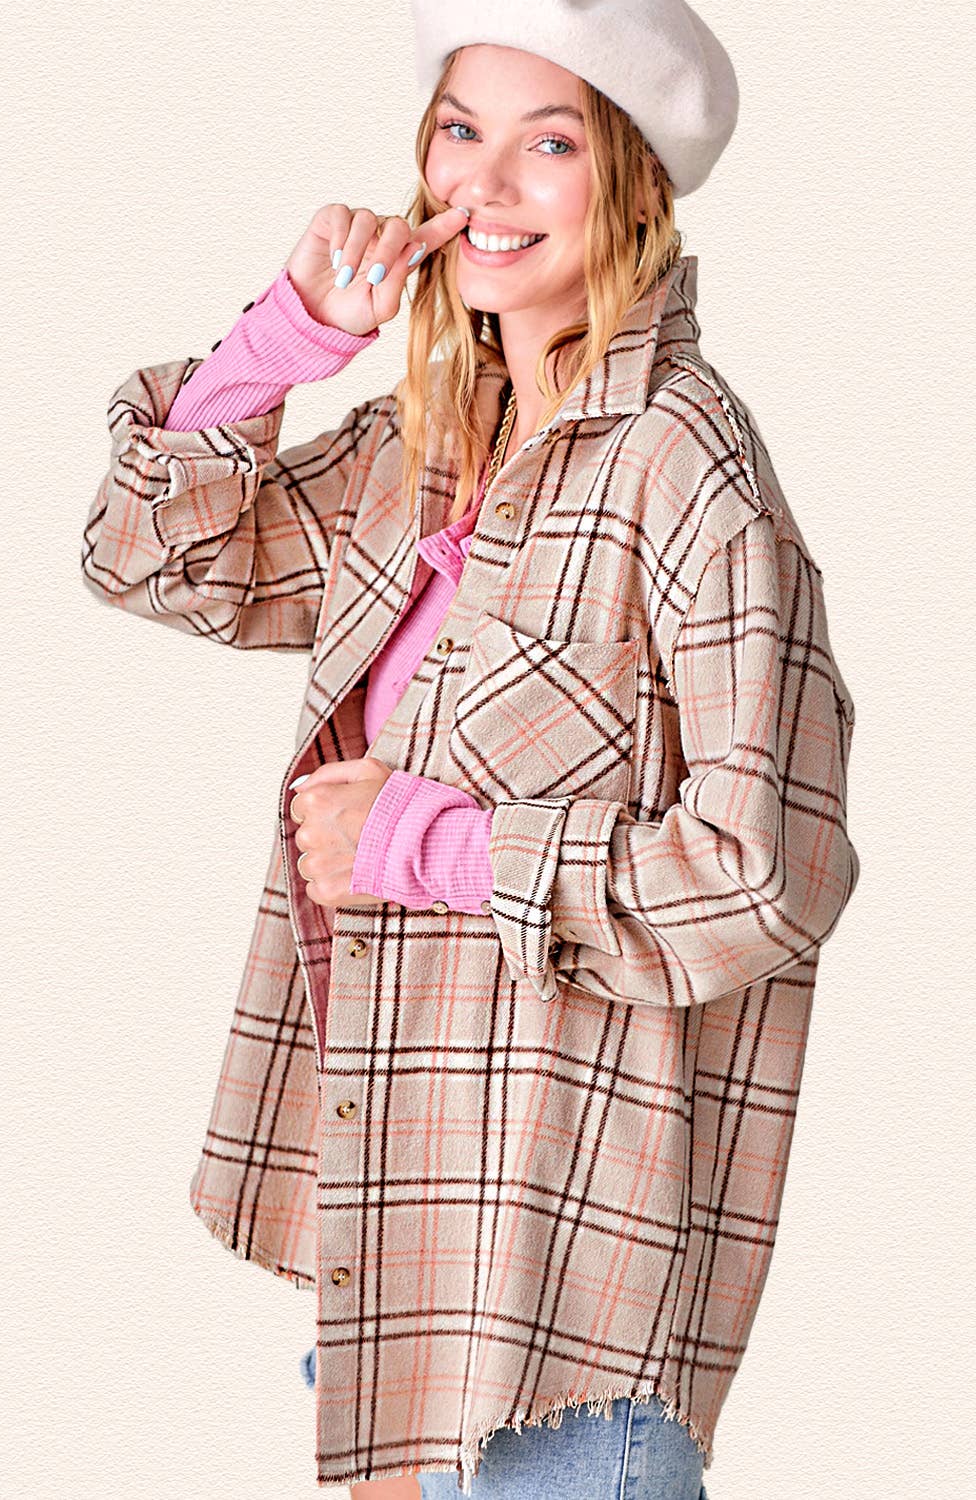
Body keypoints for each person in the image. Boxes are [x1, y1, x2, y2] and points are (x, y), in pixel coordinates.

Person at [80, 2, 861, 1495]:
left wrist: (429, 847)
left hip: (567, 1325)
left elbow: (769, 877)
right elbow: (151, 560)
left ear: (634, 183)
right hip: (393, 1260)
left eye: (548, 144)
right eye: (460, 132)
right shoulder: (425, 440)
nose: (486, 184)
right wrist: (285, 339)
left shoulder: (686, 465)